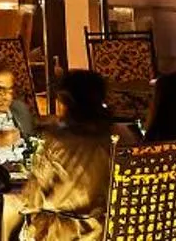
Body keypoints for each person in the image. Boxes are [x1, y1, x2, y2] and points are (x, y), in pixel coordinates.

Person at [17, 68, 115, 241]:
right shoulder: (117, 137)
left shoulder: (57, 142)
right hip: (108, 231)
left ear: (66, 104)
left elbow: (30, 199)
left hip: (64, 234)